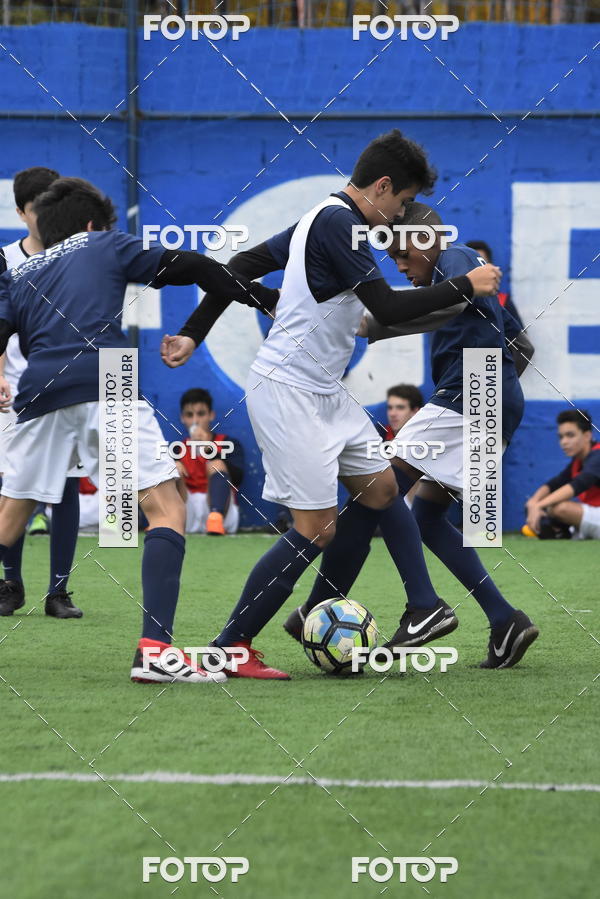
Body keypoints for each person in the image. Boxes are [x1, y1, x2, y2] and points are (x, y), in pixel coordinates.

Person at [162, 129, 502, 679]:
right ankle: (231, 644)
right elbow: (387, 304)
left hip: (324, 391)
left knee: (383, 487)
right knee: (318, 529)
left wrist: (193, 333)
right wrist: (466, 284)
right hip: (288, 390)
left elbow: (242, 264)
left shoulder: (322, 220)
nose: (398, 218)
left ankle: (420, 606)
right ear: (383, 186)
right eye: (400, 204)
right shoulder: (340, 223)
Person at [0, 176, 279, 683]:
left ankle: (153, 650)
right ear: (91, 225)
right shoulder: (104, 242)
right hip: (107, 374)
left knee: (9, 519)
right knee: (165, 506)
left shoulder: (21, 275)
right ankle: (155, 651)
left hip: (39, 389)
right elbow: (193, 266)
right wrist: (263, 296)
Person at [285, 201, 539, 670]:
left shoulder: (458, 258)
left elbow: (453, 300)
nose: (400, 267)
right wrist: (499, 394)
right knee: (423, 516)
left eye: (403, 255)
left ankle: (363, 606)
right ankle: (506, 621)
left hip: (466, 394)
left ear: (426, 240)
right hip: (489, 399)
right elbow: (522, 344)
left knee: (374, 494)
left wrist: (476, 387)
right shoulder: (457, 274)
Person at [0, 166, 83, 618]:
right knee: (14, 487)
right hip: (14, 393)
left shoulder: (78, 257)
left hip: (66, 388)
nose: (48, 216)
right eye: (38, 209)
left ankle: (59, 591)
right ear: (20, 212)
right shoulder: (5, 259)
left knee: (65, 485)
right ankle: (10, 584)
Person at [177, 387, 243, 536]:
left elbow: (238, 478)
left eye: (201, 414)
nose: (195, 420)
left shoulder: (228, 443)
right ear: (182, 418)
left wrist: (209, 449)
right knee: (172, 468)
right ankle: (168, 521)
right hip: (187, 509)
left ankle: (215, 519)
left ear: (211, 415)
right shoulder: (178, 449)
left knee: (217, 464)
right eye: (189, 415)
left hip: (221, 508)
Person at [525, 409, 600, 540]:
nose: (564, 442)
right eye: (561, 437)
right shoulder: (578, 460)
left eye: (570, 435)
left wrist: (539, 505)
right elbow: (554, 484)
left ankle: (566, 531)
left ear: (587, 436)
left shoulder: (598, 455)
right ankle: (564, 531)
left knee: (560, 508)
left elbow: (578, 484)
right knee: (543, 506)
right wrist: (533, 502)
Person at [465, 239, 526, 330]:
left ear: (491, 268)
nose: (477, 271)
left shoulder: (503, 302)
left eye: (481, 264)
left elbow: (519, 340)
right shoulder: (452, 305)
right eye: (471, 265)